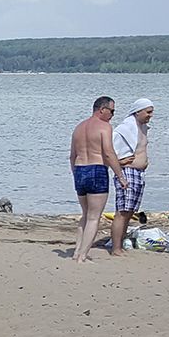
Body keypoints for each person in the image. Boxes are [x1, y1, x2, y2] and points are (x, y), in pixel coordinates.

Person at [68, 96, 125, 262]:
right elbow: (108, 153)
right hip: (96, 169)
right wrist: (120, 175)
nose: (113, 115)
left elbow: (72, 156)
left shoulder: (79, 127)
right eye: (112, 111)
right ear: (102, 109)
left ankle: (76, 252)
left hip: (80, 169)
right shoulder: (104, 126)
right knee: (94, 217)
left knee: (85, 215)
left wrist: (75, 174)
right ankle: (82, 256)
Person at [111, 98, 154, 253]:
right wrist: (119, 162)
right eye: (148, 112)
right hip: (127, 172)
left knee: (130, 212)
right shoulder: (124, 129)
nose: (151, 115)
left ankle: (120, 244)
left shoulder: (142, 128)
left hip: (139, 173)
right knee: (122, 211)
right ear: (137, 112)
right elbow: (109, 151)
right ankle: (116, 248)